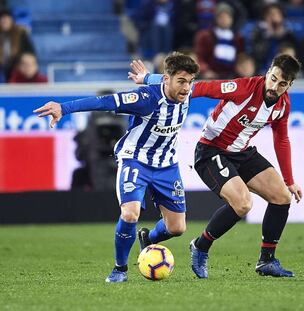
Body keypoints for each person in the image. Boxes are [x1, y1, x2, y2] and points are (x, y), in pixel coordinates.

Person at [130, 53, 303, 278]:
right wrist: (148, 78)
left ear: (289, 85)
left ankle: (266, 261)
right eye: (273, 78)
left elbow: (281, 139)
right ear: (268, 72)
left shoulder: (283, 105)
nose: (274, 86)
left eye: (282, 84)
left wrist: (289, 180)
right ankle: (200, 246)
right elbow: (199, 88)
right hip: (211, 150)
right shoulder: (243, 87)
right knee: (242, 204)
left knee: (282, 197)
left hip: (242, 153)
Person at [33, 52, 200, 283]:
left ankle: (148, 239)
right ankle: (120, 269)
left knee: (177, 228)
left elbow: (184, 82)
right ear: (166, 79)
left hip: (167, 166)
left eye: (190, 82)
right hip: (135, 161)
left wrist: (148, 76)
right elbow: (105, 102)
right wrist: (64, 107)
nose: (187, 88)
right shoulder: (146, 98)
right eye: (181, 82)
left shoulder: (187, 93)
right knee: (130, 213)